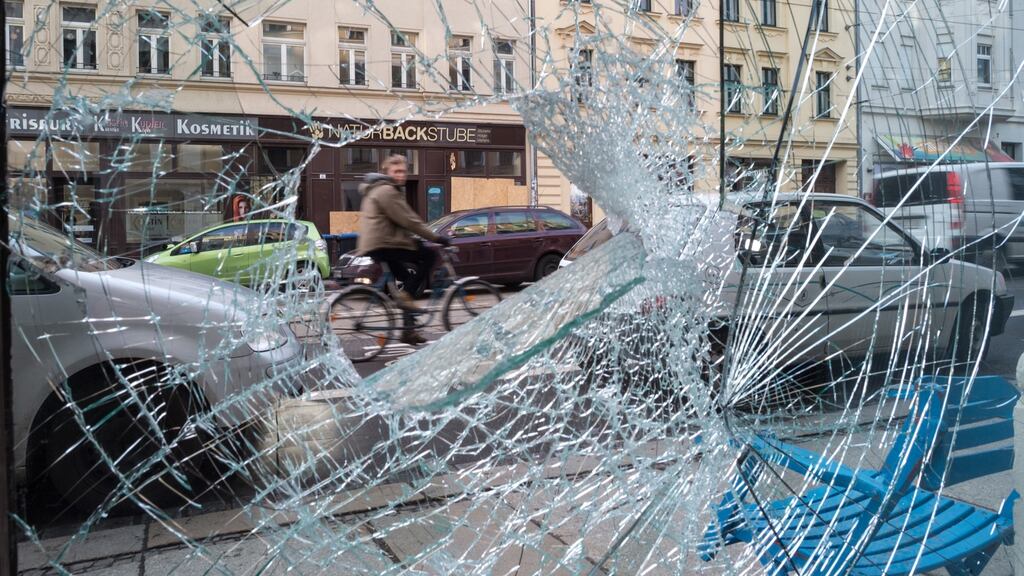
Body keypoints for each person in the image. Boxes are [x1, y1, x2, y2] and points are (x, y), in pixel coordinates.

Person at [357, 154, 451, 345]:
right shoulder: (387, 191)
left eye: (403, 171)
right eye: (396, 171)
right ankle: (405, 299)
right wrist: (436, 237)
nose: (401, 175)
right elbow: (408, 220)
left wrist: (413, 237)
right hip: (383, 243)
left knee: (408, 279)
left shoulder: (381, 189)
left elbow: (398, 222)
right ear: (387, 173)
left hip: (378, 243)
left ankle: (408, 331)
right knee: (429, 255)